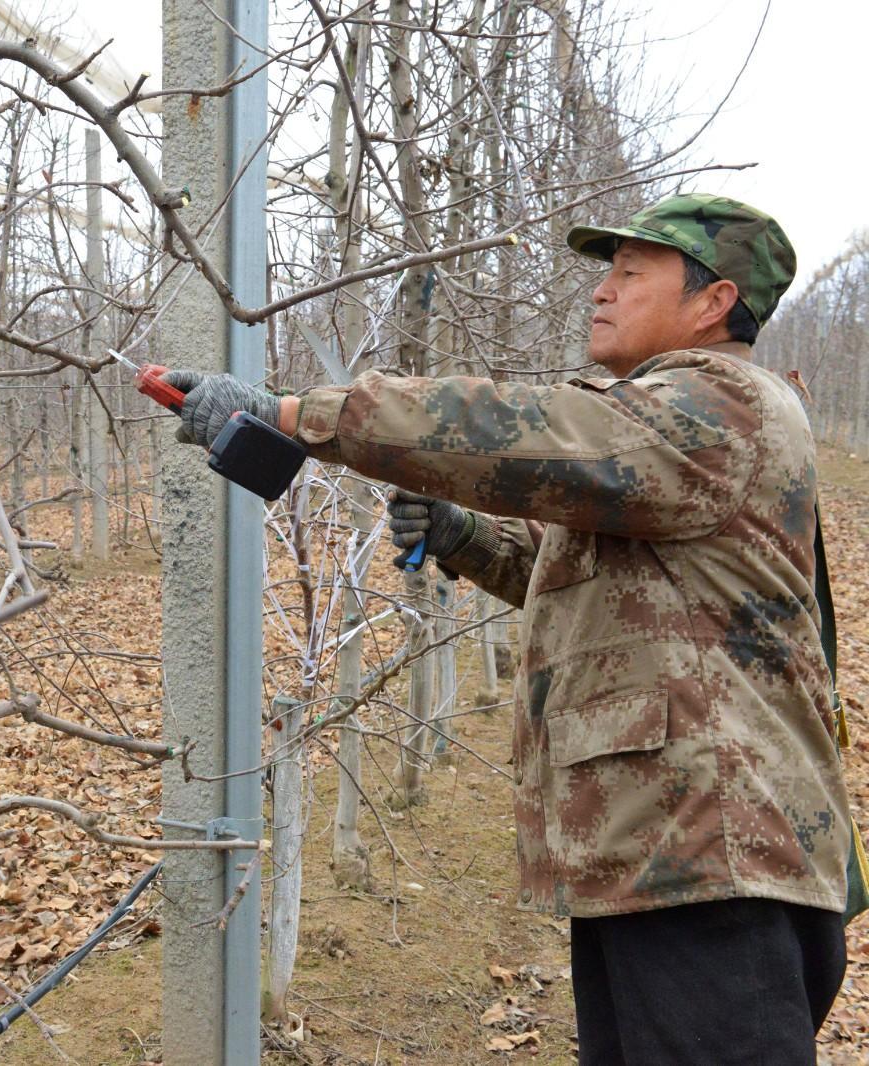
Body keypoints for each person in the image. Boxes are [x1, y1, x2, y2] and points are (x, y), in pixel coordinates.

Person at [166, 194, 852, 1063]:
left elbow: (526, 432)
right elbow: (595, 583)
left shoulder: (719, 408)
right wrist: (463, 536)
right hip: (659, 856)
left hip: (713, 865)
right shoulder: (661, 439)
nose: (602, 292)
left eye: (630, 274)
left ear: (713, 302)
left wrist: (300, 415)